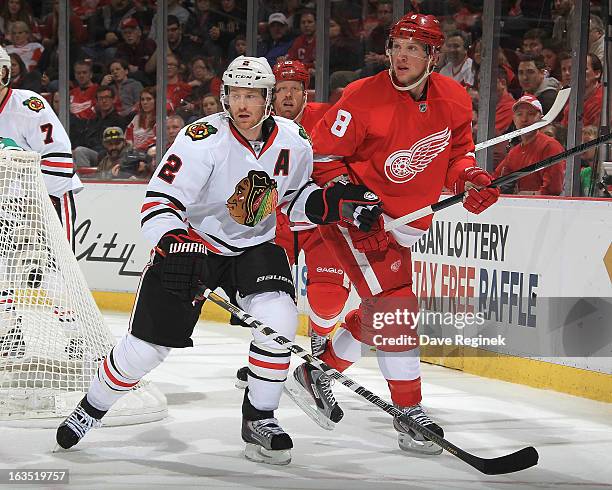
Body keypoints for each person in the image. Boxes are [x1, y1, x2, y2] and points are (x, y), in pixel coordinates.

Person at [55, 55, 381, 466]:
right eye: (236, 95)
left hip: (255, 246)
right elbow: (160, 201)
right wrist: (173, 242)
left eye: (253, 96)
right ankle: (92, 407)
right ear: (225, 96)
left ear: (269, 98)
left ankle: (260, 417)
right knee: (146, 351)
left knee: (278, 319)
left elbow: (296, 202)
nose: (243, 105)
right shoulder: (201, 137)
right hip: (194, 245)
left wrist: (338, 205)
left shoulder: (293, 139)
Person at [288, 13, 500, 455]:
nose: (401, 55)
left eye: (413, 48)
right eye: (396, 45)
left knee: (380, 311)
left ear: (433, 56)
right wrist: (355, 202)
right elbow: (323, 158)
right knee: (397, 307)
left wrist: (471, 180)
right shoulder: (362, 96)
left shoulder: (455, 97)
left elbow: (457, 154)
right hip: (355, 221)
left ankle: (317, 373)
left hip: (406, 223)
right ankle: (409, 412)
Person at [235, 60, 350, 405]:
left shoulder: (330, 119)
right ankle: (265, 358)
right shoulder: (255, 123)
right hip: (275, 222)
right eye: (282, 88)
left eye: (295, 89)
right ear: (271, 93)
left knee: (328, 295)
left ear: (305, 92)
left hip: (320, 223)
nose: (288, 95)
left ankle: (318, 355)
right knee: (268, 298)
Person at [0, 45, 81, 354]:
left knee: (52, 270)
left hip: (47, 198)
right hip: (5, 203)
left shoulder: (29, 106)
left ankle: (77, 336)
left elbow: (61, 162)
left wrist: (31, 211)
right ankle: (9, 333)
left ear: (5, 73)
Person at [493, 95, 565, 195]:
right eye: (519, 114)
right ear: (514, 119)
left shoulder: (550, 146)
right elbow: (495, 180)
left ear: (541, 119)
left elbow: (553, 190)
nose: (524, 119)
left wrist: (524, 196)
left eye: (530, 114)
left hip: (548, 208)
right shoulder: (514, 152)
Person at [125, 86, 156, 151]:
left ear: (156, 100)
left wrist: (141, 148)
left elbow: (158, 139)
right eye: (142, 99)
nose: (145, 102)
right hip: (135, 154)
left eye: (149, 99)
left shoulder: (162, 119)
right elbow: (127, 136)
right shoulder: (136, 118)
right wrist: (131, 148)